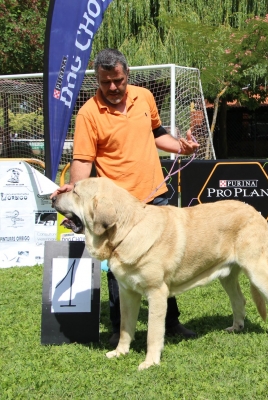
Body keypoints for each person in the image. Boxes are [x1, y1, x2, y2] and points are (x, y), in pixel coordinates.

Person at [50, 48, 199, 346]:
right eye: (106, 83)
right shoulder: (88, 114)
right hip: (115, 209)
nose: (113, 88)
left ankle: (170, 322)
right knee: (118, 266)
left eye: (118, 80)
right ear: (98, 80)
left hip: (154, 198)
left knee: (162, 265)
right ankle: (122, 331)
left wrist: (181, 147)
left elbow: (157, 132)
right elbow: (83, 161)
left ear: (127, 74)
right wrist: (77, 205)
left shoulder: (144, 97)